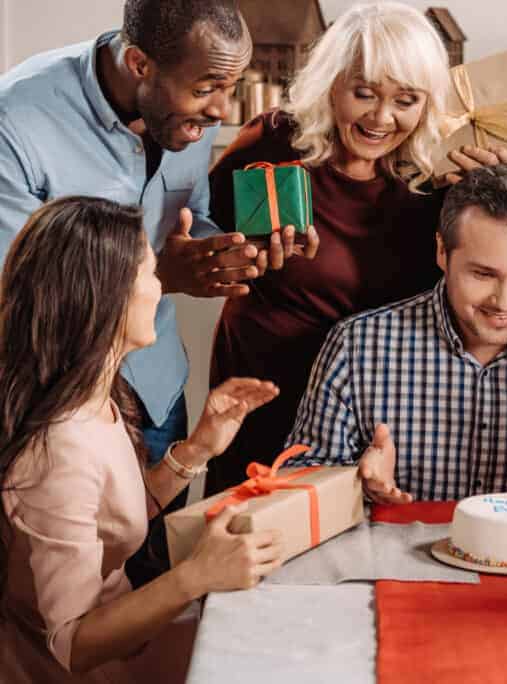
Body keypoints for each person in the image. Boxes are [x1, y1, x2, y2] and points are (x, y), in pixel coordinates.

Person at [0, 0, 314, 582]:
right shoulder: (15, 118)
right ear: (140, 63)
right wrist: (163, 278)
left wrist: (230, 254)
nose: (222, 110)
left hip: (158, 388)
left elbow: (187, 218)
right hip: (59, 404)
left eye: (232, 85)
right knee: (62, 612)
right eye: (208, 88)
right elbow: (17, 287)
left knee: (145, 582)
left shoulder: (189, 113)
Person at [205, 2, 507, 495]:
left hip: (383, 407)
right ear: (332, 84)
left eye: (406, 100)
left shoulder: (438, 180)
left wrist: (494, 196)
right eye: (364, 93)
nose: (382, 118)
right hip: (266, 391)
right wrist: (238, 254)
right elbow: (196, 239)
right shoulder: (275, 142)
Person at [0, 197, 284, 683]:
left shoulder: (95, 396)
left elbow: (109, 519)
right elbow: (71, 644)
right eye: (152, 274)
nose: (161, 290)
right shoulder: (59, 450)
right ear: (106, 294)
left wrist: (198, 448)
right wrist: (196, 576)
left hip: (130, 639)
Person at [285, 164, 507, 502]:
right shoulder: (357, 348)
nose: (504, 302)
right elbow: (299, 485)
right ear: (441, 252)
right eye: (483, 274)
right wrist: (357, 488)